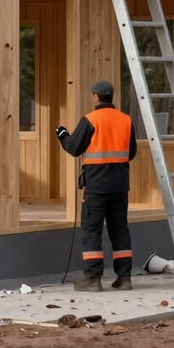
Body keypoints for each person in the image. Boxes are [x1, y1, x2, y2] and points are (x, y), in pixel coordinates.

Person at [55, 79, 137, 292]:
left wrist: (63, 135)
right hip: (120, 186)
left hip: (97, 186)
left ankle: (93, 279)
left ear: (95, 96)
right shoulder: (126, 120)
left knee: (91, 230)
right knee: (119, 229)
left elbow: (73, 148)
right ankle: (124, 277)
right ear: (112, 96)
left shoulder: (90, 120)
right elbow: (132, 152)